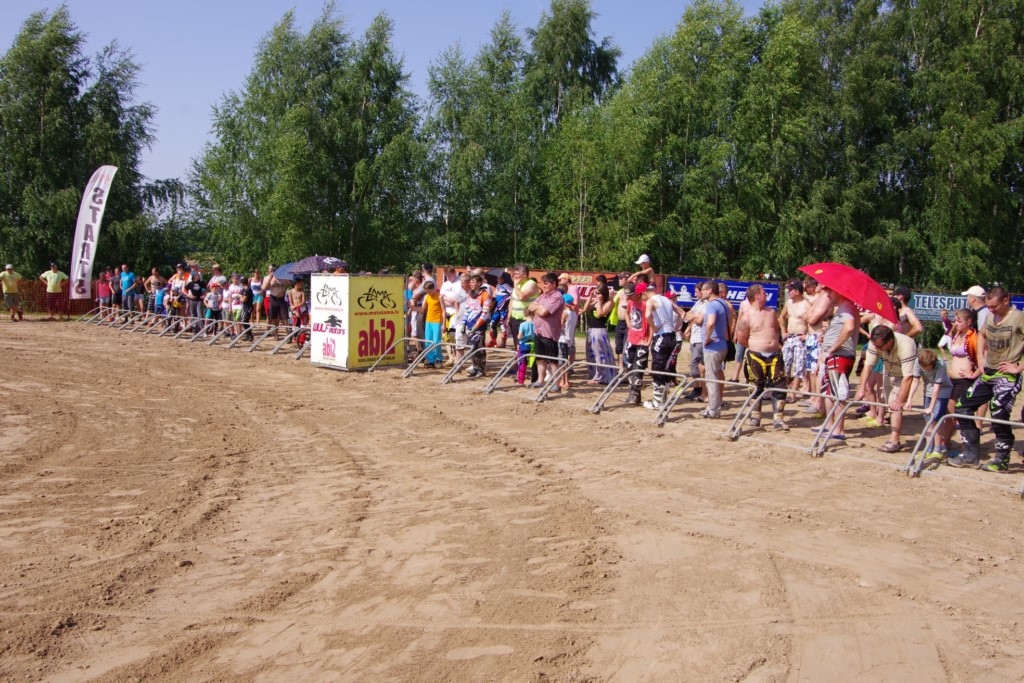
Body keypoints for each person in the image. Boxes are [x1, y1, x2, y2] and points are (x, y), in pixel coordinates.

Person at [948, 287, 1024, 471]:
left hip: (1007, 376)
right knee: (962, 407)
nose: (990, 310)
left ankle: (1001, 460)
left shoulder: (1018, 317)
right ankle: (970, 455)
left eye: (994, 306)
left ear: (1006, 300)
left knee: (998, 413)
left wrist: (1019, 367)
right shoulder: (990, 317)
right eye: (988, 306)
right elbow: (982, 335)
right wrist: (981, 358)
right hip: (988, 373)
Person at [854, 326, 919, 453]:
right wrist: (861, 388)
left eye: (880, 346)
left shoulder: (906, 345)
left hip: (903, 376)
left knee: (895, 406)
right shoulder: (875, 342)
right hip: (888, 372)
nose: (877, 349)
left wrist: (900, 401)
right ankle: (894, 436)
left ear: (889, 341)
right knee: (890, 404)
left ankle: (894, 441)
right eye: (875, 346)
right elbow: (868, 365)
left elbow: (908, 377)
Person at [808, 286, 859, 441]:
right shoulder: (842, 308)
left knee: (838, 393)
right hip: (834, 356)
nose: (828, 294)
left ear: (838, 291)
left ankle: (838, 429)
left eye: (830, 291)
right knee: (829, 392)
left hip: (840, 356)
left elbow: (849, 327)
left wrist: (834, 346)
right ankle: (830, 425)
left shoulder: (847, 308)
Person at [734, 284, 787, 430]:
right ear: (757, 296)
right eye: (764, 293)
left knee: (779, 386)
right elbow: (742, 339)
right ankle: (755, 416)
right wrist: (756, 346)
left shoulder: (771, 312)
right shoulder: (746, 316)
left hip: (775, 355)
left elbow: (775, 330)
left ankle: (778, 418)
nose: (766, 295)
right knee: (756, 386)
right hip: (756, 356)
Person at [643, 284, 685, 410]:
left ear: (644, 292)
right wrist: (676, 327)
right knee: (666, 369)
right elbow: (682, 313)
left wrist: (655, 328)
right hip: (672, 336)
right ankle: (663, 401)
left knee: (657, 368)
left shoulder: (651, 300)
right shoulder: (666, 299)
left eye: (641, 296)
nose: (642, 299)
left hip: (661, 336)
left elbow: (647, 315)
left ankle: (657, 402)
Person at [913, 349, 954, 462]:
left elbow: (937, 388)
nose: (925, 369)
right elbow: (915, 381)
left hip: (942, 391)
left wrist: (931, 407)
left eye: (927, 367)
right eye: (923, 367)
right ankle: (928, 449)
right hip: (928, 390)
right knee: (928, 421)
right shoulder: (917, 361)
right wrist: (909, 400)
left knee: (935, 420)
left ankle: (937, 450)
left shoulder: (940, 364)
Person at [526, 272, 564, 388]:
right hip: (538, 331)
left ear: (554, 284)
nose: (544, 286)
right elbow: (530, 307)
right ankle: (540, 381)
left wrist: (537, 309)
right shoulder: (543, 296)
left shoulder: (557, 296)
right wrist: (539, 308)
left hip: (550, 333)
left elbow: (544, 312)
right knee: (540, 358)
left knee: (553, 360)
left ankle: (556, 384)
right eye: (543, 283)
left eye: (546, 283)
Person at [699, 281, 730, 419]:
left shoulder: (712, 305)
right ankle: (712, 407)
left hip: (713, 347)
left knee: (711, 380)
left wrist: (706, 338)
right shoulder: (724, 304)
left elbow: (711, 322)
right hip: (722, 344)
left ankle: (713, 410)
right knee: (714, 377)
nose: (701, 292)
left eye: (703, 290)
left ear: (710, 290)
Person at [621, 282, 652, 406]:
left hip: (642, 339)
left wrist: (649, 340)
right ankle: (633, 393)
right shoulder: (630, 303)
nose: (628, 298)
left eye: (631, 295)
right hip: (631, 339)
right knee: (628, 365)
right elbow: (626, 312)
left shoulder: (645, 304)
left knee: (638, 367)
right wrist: (628, 322)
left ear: (638, 294)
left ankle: (635, 394)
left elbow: (651, 322)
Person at [778, 280, 809, 396]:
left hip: (800, 338)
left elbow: (812, 322)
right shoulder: (789, 303)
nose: (788, 292)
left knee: (799, 366)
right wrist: (783, 331)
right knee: (784, 364)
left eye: (791, 290)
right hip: (789, 337)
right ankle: (784, 389)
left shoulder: (806, 305)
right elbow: (781, 317)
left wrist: (807, 335)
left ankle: (793, 394)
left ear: (797, 291)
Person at [580, 284, 615, 385]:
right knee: (591, 354)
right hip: (591, 330)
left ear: (604, 294)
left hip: (600, 331)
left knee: (600, 354)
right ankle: (594, 374)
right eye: (596, 293)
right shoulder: (595, 300)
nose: (597, 295)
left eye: (598, 293)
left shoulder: (609, 302)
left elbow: (600, 314)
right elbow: (585, 309)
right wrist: (590, 297)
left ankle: (601, 377)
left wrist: (599, 301)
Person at [462, 273, 494, 378]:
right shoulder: (469, 294)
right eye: (470, 282)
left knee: (479, 348)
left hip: (479, 326)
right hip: (469, 325)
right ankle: (475, 367)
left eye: (473, 282)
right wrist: (464, 323)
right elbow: (467, 310)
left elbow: (485, 313)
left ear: (479, 283)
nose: (471, 284)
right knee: (472, 347)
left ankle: (481, 369)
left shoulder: (485, 295)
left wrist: (476, 326)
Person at [683, 282, 709, 402]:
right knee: (694, 364)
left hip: (700, 339)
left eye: (697, 292)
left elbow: (700, 320)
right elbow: (687, 315)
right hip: (694, 337)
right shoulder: (698, 303)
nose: (696, 294)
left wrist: (694, 317)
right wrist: (694, 318)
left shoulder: (707, 304)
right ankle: (697, 387)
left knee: (695, 364)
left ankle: (699, 389)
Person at [419, 279, 445, 368]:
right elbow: (422, 310)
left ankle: (439, 359)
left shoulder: (439, 297)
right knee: (428, 341)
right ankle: (430, 360)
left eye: (429, 291)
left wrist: (444, 324)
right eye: (427, 291)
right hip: (428, 321)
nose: (429, 293)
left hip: (437, 321)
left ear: (433, 288)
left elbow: (444, 310)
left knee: (436, 341)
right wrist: (412, 307)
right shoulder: (426, 297)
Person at [558, 293, 579, 390]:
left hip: (562, 339)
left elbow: (560, 326)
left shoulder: (565, 313)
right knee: (565, 360)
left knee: (562, 362)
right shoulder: (574, 313)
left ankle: (564, 381)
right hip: (569, 340)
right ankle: (566, 380)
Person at [262, 264, 289, 338]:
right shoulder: (267, 278)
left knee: (285, 317)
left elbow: (289, 283)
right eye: (273, 270)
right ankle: (276, 334)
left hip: (281, 298)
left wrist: (285, 276)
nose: (274, 271)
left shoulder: (282, 277)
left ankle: (288, 334)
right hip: (273, 297)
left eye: (276, 270)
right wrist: (270, 278)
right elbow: (263, 288)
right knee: (274, 317)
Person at [516, 309, 536, 385]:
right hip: (533, 344)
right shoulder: (535, 324)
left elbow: (519, 336)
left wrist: (518, 337)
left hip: (524, 344)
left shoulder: (523, 324)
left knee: (522, 363)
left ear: (524, 315)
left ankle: (521, 380)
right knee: (534, 362)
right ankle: (534, 380)